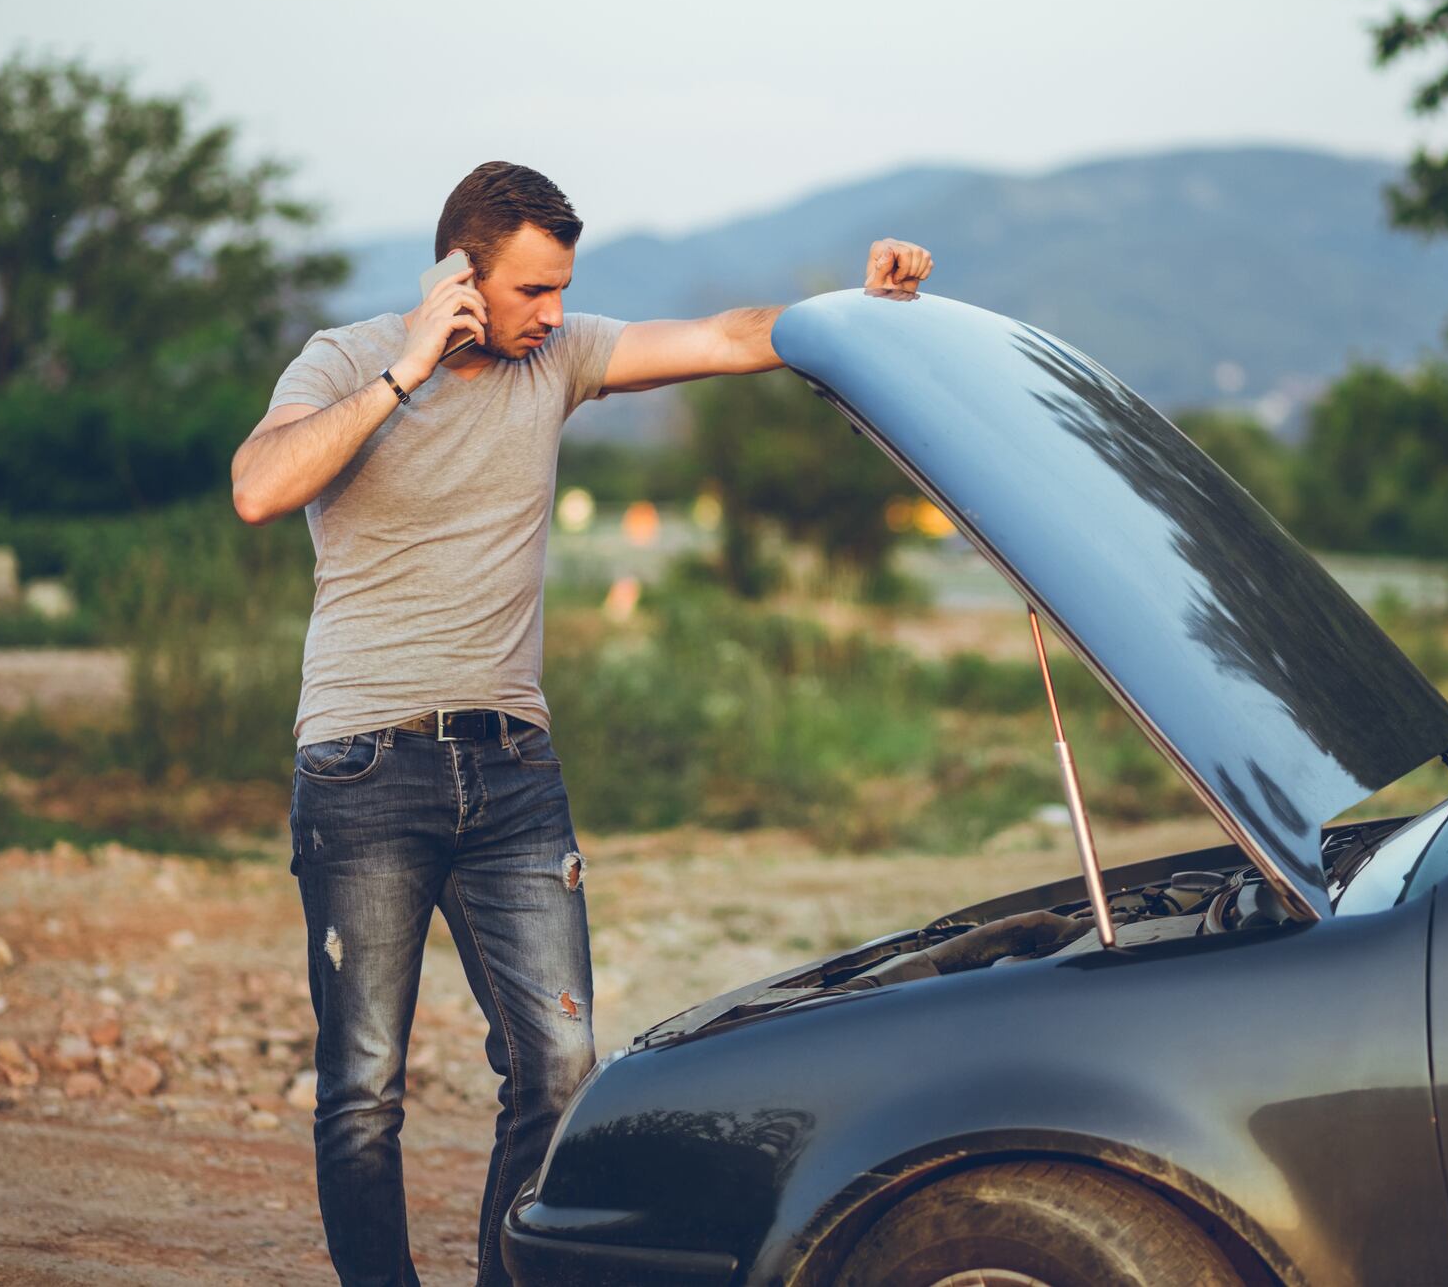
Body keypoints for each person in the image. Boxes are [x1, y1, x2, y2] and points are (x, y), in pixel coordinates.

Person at [228, 160, 933, 1287]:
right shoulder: (348, 357)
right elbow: (260, 487)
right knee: (364, 1085)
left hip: (513, 770)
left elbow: (723, 337)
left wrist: (853, 306)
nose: (553, 315)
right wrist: (408, 370)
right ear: (461, 275)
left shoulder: (555, 358)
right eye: (531, 292)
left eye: (563, 291)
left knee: (561, 1064)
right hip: (365, 767)